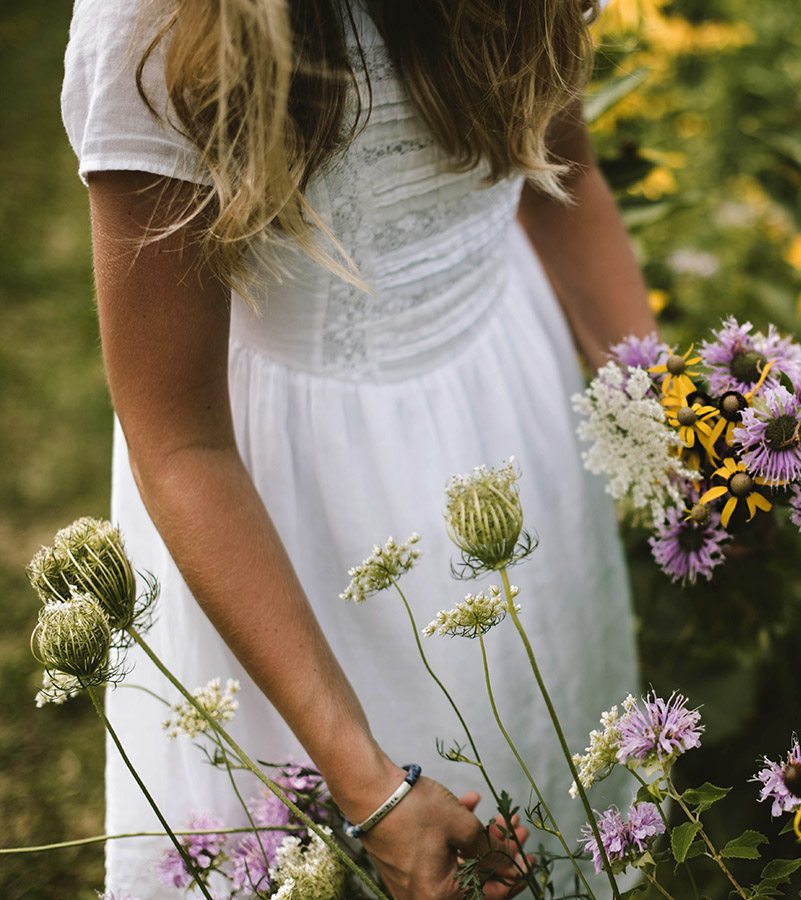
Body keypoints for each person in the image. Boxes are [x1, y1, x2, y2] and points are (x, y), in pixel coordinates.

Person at [61, 0, 655, 896]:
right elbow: (178, 439)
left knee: (545, 757)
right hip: (286, 510)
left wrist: (676, 422)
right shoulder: (160, 23)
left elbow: (562, 185)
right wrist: (370, 789)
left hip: (513, 406)